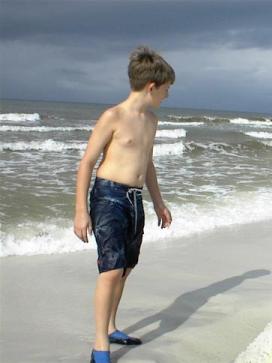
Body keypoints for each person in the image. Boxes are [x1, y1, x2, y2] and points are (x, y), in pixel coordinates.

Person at [73, 46, 175, 363]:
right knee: (110, 269)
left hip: (134, 199)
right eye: (166, 90)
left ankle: (113, 326)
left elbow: (149, 164)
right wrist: (80, 211)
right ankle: (100, 346)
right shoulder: (113, 117)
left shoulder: (152, 121)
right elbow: (87, 163)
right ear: (151, 87)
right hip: (108, 196)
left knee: (126, 267)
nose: (167, 96)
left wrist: (158, 202)